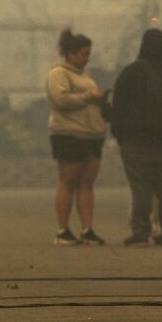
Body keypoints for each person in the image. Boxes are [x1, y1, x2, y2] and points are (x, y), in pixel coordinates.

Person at [112, 28, 162, 247]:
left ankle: (140, 231)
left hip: (136, 143)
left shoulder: (130, 73)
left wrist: (119, 136)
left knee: (141, 189)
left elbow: (118, 108)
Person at [46, 29, 108, 246]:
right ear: (70, 53)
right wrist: (89, 96)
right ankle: (62, 230)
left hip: (92, 135)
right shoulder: (58, 74)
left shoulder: (85, 77)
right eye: (82, 54)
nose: (85, 59)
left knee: (87, 184)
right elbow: (60, 100)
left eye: (88, 55)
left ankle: (87, 229)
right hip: (69, 135)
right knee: (68, 182)